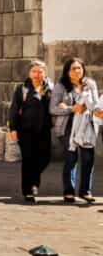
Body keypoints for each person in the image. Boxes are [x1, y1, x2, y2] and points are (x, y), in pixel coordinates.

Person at [50, 58, 98, 204]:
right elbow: (53, 108)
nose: (77, 71)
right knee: (71, 159)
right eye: (73, 68)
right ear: (67, 71)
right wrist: (72, 108)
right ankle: (69, 191)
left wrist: (91, 107)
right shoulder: (60, 86)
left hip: (86, 125)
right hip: (67, 127)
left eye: (79, 68)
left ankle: (85, 191)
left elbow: (95, 104)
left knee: (88, 159)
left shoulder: (90, 84)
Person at [9, 61, 54, 203]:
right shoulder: (22, 88)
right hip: (25, 130)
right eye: (34, 71)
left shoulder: (50, 88)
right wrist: (13, 129)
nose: (37, 74)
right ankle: (28, 190)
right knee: (28, 160)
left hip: (44, 129)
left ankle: (33, 180)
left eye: (40, 71)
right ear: (29, 73)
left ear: (45, 73)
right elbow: (14, 110)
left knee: (45, 157)